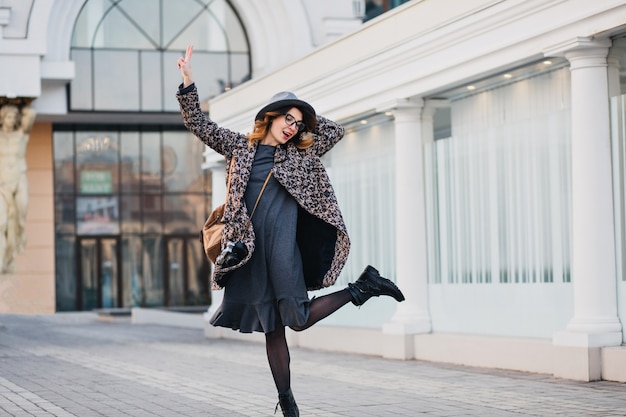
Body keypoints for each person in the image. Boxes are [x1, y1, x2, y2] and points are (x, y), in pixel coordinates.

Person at [176, 45, 404, 416]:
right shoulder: (239, 147)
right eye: (288, 119)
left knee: (296, 319)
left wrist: (306, 116)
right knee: (273, 329)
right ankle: (287, 403)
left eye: (298, 123)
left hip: (283, 248)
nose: (292, 127)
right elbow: (199, 124)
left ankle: (363, 287)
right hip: (250, 253)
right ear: (269, 117)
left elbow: (334, 131)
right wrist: (188, 83)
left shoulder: (300, 155)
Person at [0, 104, 35, 274]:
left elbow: (32, 114)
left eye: (14, 117)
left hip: (19, 178)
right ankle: (3, 260)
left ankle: (16, 244)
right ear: (2, 119)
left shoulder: (22, 135)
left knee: (21, 215)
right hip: (3, 183)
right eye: (8, 117)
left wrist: (24, 101)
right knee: (2, 222)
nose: (11, 120)